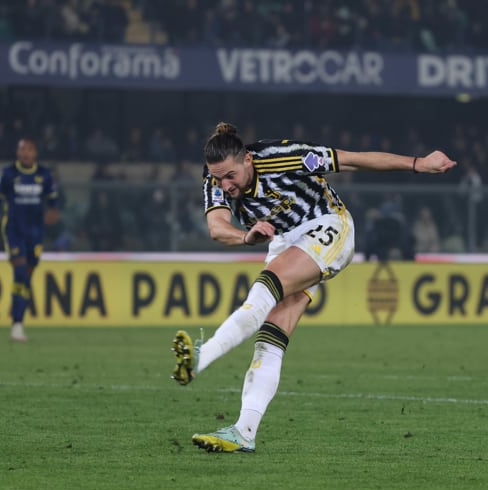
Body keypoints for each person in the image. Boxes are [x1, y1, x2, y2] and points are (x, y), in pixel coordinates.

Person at [171, 122, 456, 453]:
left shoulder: (284, 157)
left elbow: (351, 160)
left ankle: (199, 359)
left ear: (248, 159)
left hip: (327, 225)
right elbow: (218, 228)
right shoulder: (215, 180)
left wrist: (419, 163)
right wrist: (246, 237)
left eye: (230, 176)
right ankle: (244, 431)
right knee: (270, 338)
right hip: (284, 243)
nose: (224, 184)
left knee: (265, 290)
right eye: (218, 178)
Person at [0, 138, 60, 342]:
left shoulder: (44, 175)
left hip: (35, 234)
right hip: (13, 231)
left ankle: (17, 319)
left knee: (25, 279)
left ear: (35, 153)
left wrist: (54, 212)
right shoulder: (8, 174)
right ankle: (17, 323)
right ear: (17, 153)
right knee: (20, 272)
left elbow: (54, 200)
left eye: (28, 150)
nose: (25, 153)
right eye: (21, 149)